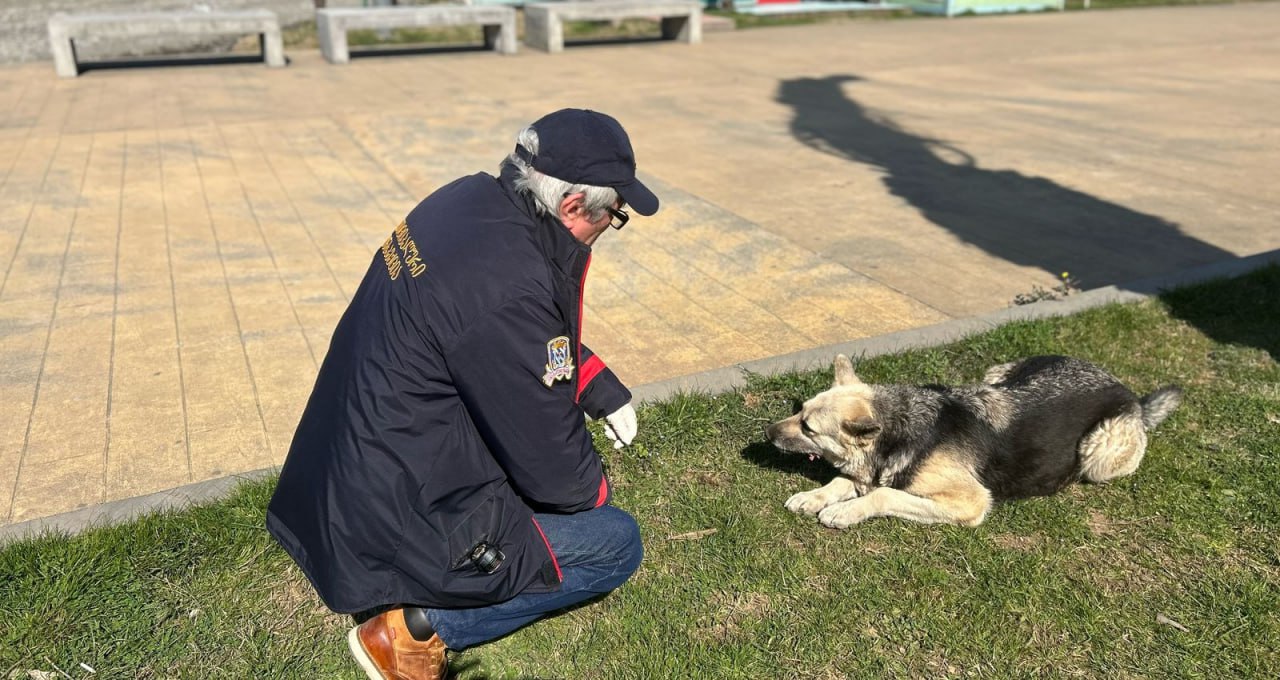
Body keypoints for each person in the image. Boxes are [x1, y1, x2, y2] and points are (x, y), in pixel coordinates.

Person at [266, 109, 658, 680]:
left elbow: (501, 340)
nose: (609, 227)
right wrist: (595, 491)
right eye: (613, 216)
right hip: (392, 509)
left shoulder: (466, 201)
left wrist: (595, 381)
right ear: (573, 208)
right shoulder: (509, 282)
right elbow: (557, 471)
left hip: (340, 472)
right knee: (614, 542)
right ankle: (408, 634)